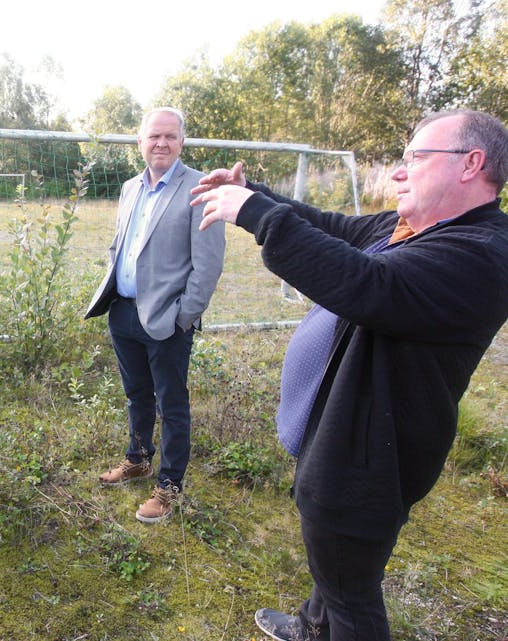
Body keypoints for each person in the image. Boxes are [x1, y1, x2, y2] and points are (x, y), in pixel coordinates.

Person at [190, 109, 508, 641]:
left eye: (415, 157)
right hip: (349, 440)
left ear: (471, 164)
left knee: (351, 593)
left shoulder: (480, 253)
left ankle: (329, 624)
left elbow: (368, 285)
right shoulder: (411, 228)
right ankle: (313, 626)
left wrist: (260, 216)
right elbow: (332, 228)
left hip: (367, 460)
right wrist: (257, 194)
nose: (399, 171)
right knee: (340, 565)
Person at [85, 107, 226, 523]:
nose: (161, 143)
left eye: (170, 136)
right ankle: (138, 459)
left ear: (182, 142)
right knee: (137, 395)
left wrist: (184, 316)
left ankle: (169, 486)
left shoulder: (199, 188)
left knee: (172, 404)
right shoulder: (130, 187)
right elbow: (119, 245)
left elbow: (208, 265)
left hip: (168, 321)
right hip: (123, 312)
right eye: (153, 136)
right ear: (140, 142)